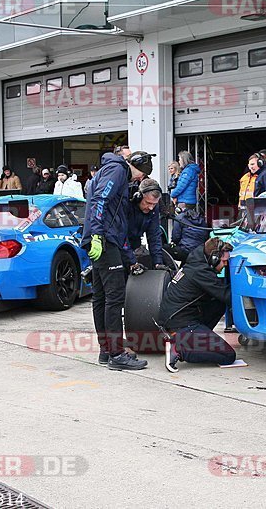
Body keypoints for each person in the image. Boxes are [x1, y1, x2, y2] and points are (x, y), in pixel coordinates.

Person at [82, 150, 154, 370]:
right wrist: (96, 234)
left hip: (105, 239)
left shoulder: (114, 171)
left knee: (102, 297)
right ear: (138, 169)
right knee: (114, 298)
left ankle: (106, 351)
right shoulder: (118, 170)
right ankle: (116, 354)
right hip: (104, 240)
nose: (140, 180)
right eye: (142, 175)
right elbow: (100, 199)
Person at [158, 237, 237, 372]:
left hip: (175, 319)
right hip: (181, 324)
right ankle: (179, 350)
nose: (225, 265)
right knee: (228, 355)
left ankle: (195, 340)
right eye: (224, 261)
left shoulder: (195, 264)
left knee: (218, 303)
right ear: (213, 258)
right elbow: (228, 296)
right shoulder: (201, 272)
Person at [125, 178, 166, 274]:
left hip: (134, 244)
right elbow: (121, 236)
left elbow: (154, 235)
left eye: (154, 204)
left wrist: (158, 263)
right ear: (139, 197)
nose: (151, 207)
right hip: (118, 245)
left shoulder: (153, 208)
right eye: (148, 203)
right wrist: (132, 261)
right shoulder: (127, 204)